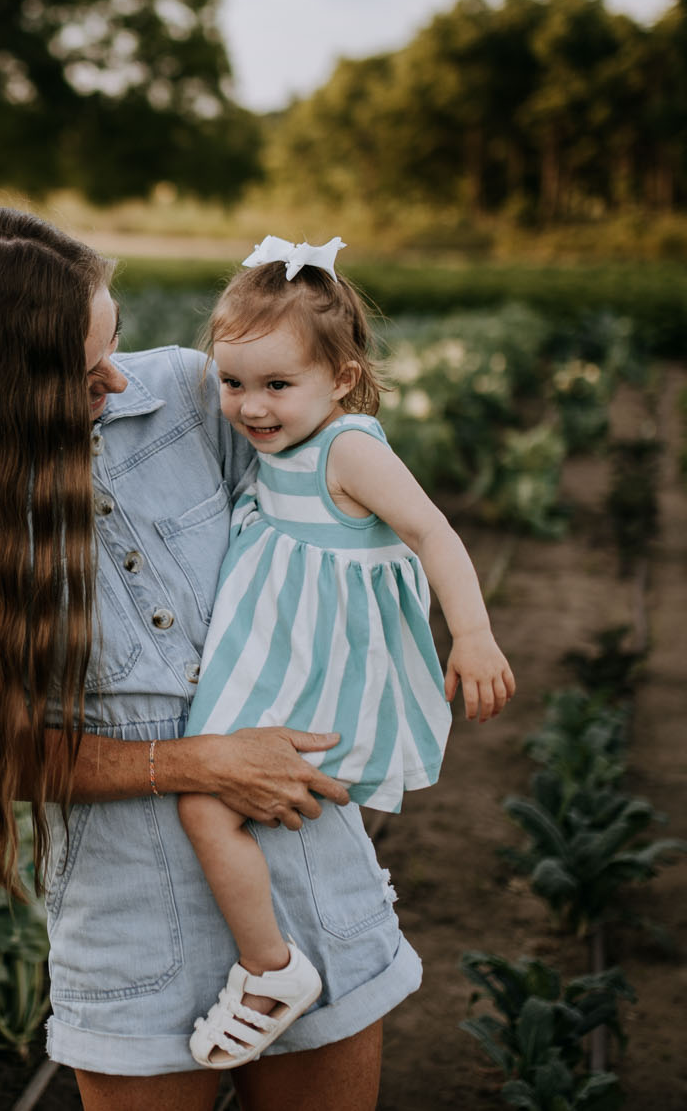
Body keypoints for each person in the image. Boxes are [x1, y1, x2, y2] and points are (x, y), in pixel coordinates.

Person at [0, 206, 423, 1111]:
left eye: (111, 340)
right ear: (0, 389)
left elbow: (325, 533)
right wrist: (198, 761)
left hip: (298, 860)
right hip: (131, 910)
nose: (116, 376)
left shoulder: (199, 399)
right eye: (82, 374)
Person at [177, 236, 517, 1070]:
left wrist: (470, 631)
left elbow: (431, 530)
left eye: (277, 385)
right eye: (232, 383)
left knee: (204, 800)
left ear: (343, 379)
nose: (251, 406)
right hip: (270, 647)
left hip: (309, 661)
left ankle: (273, 970)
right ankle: (321, 918)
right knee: (240, 802)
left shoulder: (348, 449)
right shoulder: (279, 442)